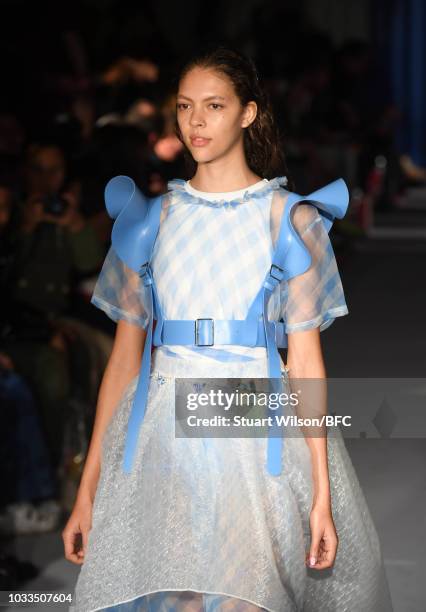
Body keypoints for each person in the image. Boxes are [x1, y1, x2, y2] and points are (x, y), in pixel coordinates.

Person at [65, 46, 393, 612]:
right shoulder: (151, 220)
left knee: (242, 599)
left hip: (250, 429)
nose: (195, 121)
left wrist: (321, 492)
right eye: (185, 106)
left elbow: (307, 361)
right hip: (160, 433)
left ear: (248, 113)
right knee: (179, 600)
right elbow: (123, 362)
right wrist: (88, 487)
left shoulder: (290, 218)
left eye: (213, 106)